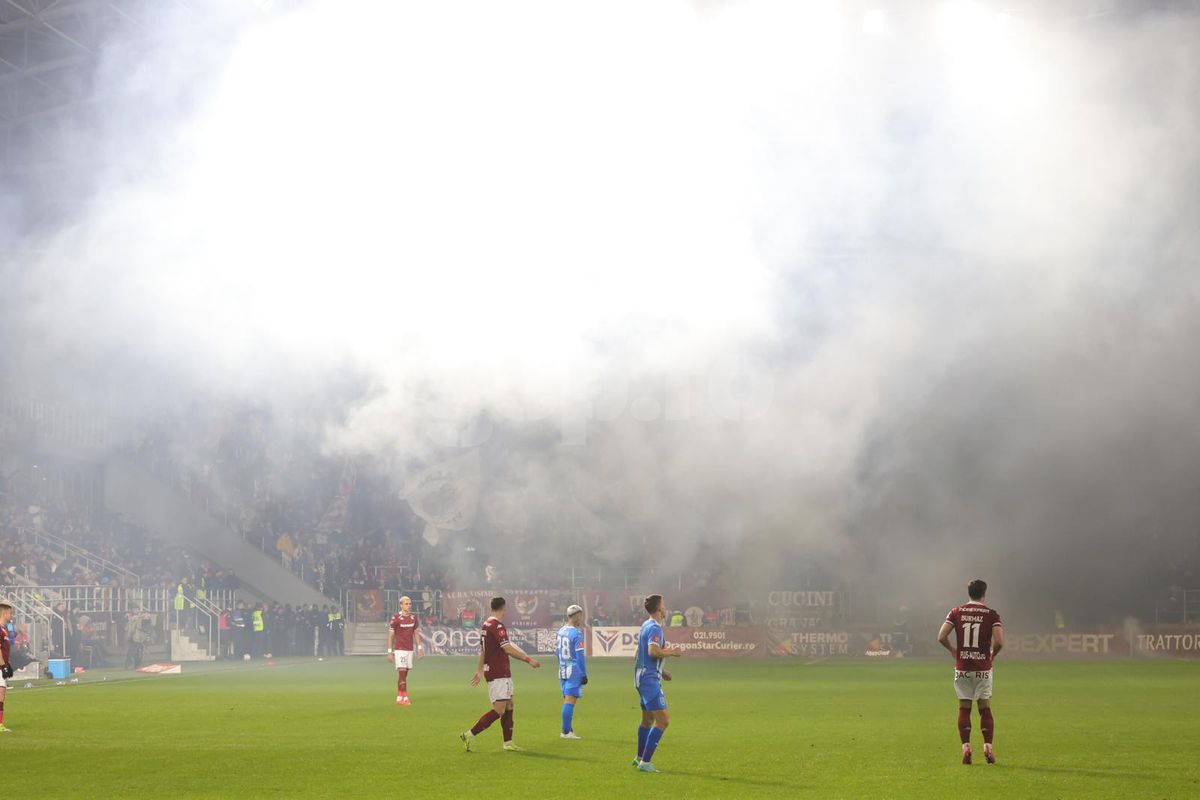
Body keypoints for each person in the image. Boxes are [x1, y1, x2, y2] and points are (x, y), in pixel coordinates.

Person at [459, 596, 540, 752]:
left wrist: (480, 670)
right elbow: (507, 648)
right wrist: (528, 659)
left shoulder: (485, 625)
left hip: (498, 671)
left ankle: (508, 742)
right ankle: (469, 734)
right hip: (498, 672)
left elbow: (483, 650)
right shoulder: (497, 626)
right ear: (504, 608)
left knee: (509, 705)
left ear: (491, 608)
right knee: (499, 709)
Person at [938, 578, 1005, 765]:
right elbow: (999, 641)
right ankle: (988, 748)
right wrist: (992, 655)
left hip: (963, 668)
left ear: (969, 593)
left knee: (964, 707)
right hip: (983, 668)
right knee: (985, 709)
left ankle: (966, 746)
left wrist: (953, 650)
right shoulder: (991, 615)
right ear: (984, 594)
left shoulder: (956, 612)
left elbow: (941, 636)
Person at [633, 594, 683, 773]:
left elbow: (639, 653)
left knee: (647, 720)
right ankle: (645, 762)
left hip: (642, 677)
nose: (666, 608)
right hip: (649, 680)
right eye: (664, 605)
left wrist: (662, 671)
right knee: (663, 721)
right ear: (659, 609)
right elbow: (652, 651)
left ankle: (639, 757)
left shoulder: (645, 625)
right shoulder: (654, 628)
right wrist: (672, 652)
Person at [556, 604, 587, 739]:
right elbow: (580, 656)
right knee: (570, 701)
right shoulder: (577, 634)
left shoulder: (561, 631)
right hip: (573, 669)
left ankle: (569, 729)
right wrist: (583, 674)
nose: (582, 617)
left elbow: (557, 652)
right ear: (577, 615)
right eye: (581, 614)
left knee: (566, 699)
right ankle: (566, 731)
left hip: (562, 668)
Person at [387, 596, 423, 705]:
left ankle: (399, 697)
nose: (409, 605)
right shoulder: (396, 618)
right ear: (401, 605)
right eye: (406, 604)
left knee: (404, 675)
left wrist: (420, 648)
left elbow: (416, 633)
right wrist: (390, 651)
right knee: (402, 674)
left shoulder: (414, 618)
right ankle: (405, 697)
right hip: (400, 649)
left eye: (410, 603)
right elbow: (390, 635)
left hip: (409, 649)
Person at [0, 603, 13, 732]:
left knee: (2, 692)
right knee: (1, 693)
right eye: (10, 613)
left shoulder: (5, 629)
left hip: (2, 664)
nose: (11, 616)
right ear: (4, 614)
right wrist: (3, 666)